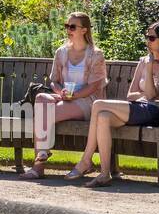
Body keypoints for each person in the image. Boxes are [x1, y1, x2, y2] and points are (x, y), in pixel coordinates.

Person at [67, 21, 159, 188]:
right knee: (104, 116)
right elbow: (131, 94)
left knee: (98, 104)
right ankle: (105, 173)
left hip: (155, 113)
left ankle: (86, 160)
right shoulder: (143, 61)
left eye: (151, 38)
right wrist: (146, 93)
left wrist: (149, 69)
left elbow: (151, 96)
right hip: (138, 108)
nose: (147, 41)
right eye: (146, 37)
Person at [19, 12, 107, 179]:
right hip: (65, 98)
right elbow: (54, 81)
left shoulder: (96, 54)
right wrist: (62, 93)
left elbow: (95, 86)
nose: (68, 30)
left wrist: (73, 96)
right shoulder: (61, 52)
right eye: (67, 26)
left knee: (45, 113)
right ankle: (41, 157)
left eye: (72, 26)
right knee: (40, 99)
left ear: (84, 30)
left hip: (88, 102)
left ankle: (38, 165)